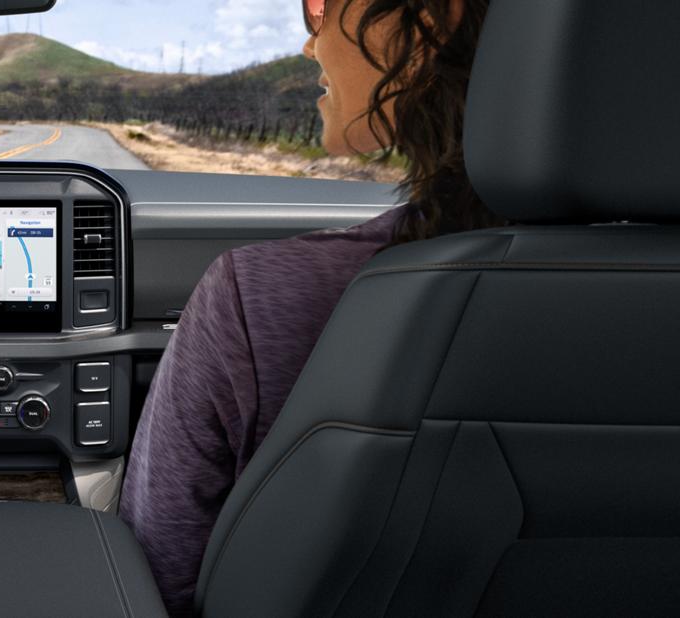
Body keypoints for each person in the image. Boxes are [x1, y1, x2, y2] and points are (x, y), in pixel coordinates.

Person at [118, 0, 508, 614]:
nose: (309, 42)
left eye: (319, 8)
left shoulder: (257, 296)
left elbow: (152, 580)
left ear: (432, 18)